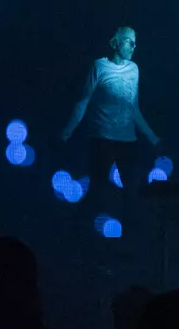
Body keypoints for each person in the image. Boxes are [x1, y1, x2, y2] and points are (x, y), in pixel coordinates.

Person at [61, 26, 160, 211]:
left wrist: (153, 137)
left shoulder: (134, 69)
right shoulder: (99, 66)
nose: (134, 47)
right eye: (129, 42)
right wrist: (66, 133)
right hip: (102, 141)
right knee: (97, 193)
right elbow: (83, 102)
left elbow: (133, 109)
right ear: (115, 43)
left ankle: (128, 226)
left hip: (127, 142)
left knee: (131, 194)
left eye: (135, 43)